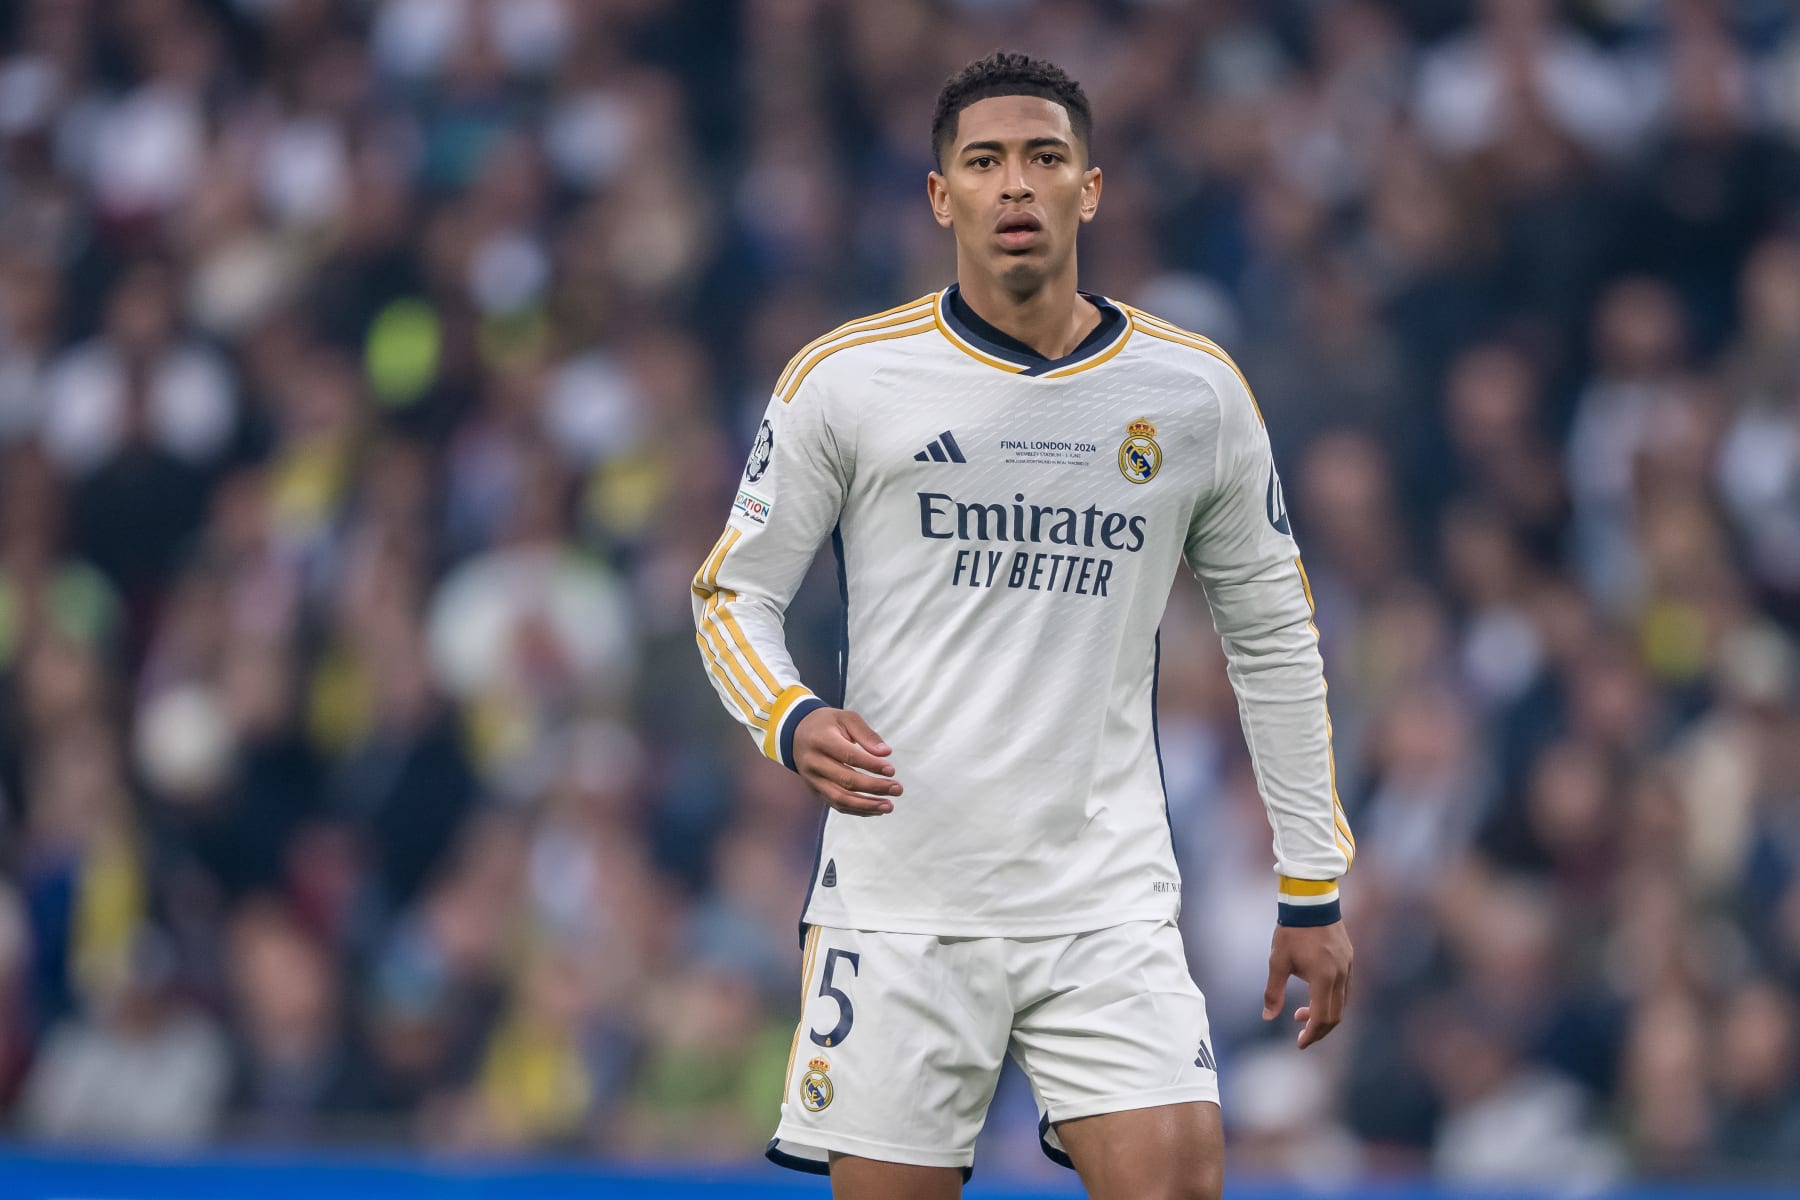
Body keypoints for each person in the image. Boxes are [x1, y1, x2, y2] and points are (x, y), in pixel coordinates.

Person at [691, 52, 1355, 1200]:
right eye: (984, 162)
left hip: (1105, 896)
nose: (1016, 186)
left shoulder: (1192, 394)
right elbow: (729, 592)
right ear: (940, 195)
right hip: (904, 902)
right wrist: (789, 720)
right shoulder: (848, 381)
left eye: (1045, 159)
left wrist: (1313, 885)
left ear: (1089, 190)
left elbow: (1275, 638)